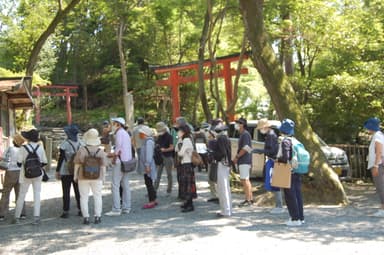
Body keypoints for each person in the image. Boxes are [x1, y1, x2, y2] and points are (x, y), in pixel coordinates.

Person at [13, 129, 48, 225]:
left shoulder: (23, 148)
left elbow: (19, 163)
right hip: (37, 174)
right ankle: (36, 217)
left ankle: (17, 217)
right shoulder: (40, 148)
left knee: (22, 195)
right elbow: (44, 162)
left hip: (25, 175)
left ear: (28, 138)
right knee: (37, 194)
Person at [74, 128, 107, 224]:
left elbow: (77, 164)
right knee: (97, 196)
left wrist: (75, 175)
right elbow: (103, 166)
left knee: (83, 197)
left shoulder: (82, 150)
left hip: (83, 176)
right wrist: (104, 177)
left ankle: (86, 217)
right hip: (97, 177)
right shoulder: (100, 151)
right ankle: (97, 216)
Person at [253, 118, 285, 214]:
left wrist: (260, 151)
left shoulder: (271, 135)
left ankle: (279, 206)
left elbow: (272, 151)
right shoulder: (271, 134)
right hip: (273, 160)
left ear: (265, 127)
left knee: (276, 184)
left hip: (273, 161)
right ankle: (278, 205)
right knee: (274, 183)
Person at [277, 118, 304, 226]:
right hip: (297, 170)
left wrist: (278, 160)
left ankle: (295, 219)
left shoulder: (285, 141)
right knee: (297, 194)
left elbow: (285, 157)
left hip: (289, 172)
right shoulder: (295, 140)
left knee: (290, 195)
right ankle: (300, 217)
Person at [105, 117, 133, 216]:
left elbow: (118, 149)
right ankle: (126, 207)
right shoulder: (125, 133)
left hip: (120, 161)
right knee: (125, 184)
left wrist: (112, 157)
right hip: (126, 161)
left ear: (118, 124)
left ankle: (116, 208)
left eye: (114, 123)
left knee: (115, 185)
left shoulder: (119, 133)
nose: (113, 125)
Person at [55, 124, 82, 218]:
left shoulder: (65, 144)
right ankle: (81, 209)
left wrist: (57, 170)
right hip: (77, 170)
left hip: (66, 169)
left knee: (66, 191)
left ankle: (66, 211)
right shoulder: (81, 143)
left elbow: (61, 158)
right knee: (78, 191)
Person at [0, 134, 26, 221]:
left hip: (10, 172)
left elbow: (2, 157)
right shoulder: (23, 150)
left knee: (6, 192)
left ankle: (2, 214)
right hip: (20, 172)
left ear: (14, 141)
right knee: (19, 193)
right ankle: (22, 213)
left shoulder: (10, 149)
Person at [364, 117, 384, 217]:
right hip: (379, 163)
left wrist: (376, 165)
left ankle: (383, 209)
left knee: (381, 186)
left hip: (379, 163)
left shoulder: (377, 136)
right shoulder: (378, 135)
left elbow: (379, 151)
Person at [212, 123, 232, 217]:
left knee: (222, 188)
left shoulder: (220, 139)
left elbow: (222, 153)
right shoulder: (226, 138)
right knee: (226, 187)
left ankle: (225, 210)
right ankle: (228, 209)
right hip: (227, 164)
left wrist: (213, 153)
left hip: (222, 164)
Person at [175, 125, 197, 212]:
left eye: (179, 131)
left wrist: (180, 147)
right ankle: (187, 202)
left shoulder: (187, 140)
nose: (178, 132)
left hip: (187, 164)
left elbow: (180, 153)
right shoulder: (182, 140)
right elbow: (176, 149)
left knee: (188, 185)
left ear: (183, 132)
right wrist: (179, 140)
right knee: (185, 184)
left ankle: (190, 205)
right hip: (184, 164)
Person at [232, 117, 253, 207]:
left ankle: (248, 200)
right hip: (244, 160)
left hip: (244, 160)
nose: (236, 125)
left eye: (238, 123)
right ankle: (250, 199)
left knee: (245, 180)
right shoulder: (243, 134)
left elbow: (246, 148)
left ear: (242, 125)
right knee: (245, 179)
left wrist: (237, 157)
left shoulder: (245, 134)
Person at [138, 126, 158, 209]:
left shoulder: (149, 142)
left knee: (149, 183)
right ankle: (154, 199)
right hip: (147, 165)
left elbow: (149, 155)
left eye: (141, 133)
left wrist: (147, 165)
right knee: (149, 182)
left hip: (148, 166)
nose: (139, 134)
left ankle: (152, 200)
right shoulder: (146, 141)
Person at [154, 122, 174, 195]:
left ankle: (169, 190)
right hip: (160, 157)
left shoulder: (169, 136)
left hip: (168, 157)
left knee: (169, 174)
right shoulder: (159, 136)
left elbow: (172, 148)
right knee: (158, 174)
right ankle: (154, 189)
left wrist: (164, 150)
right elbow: (157, 145)